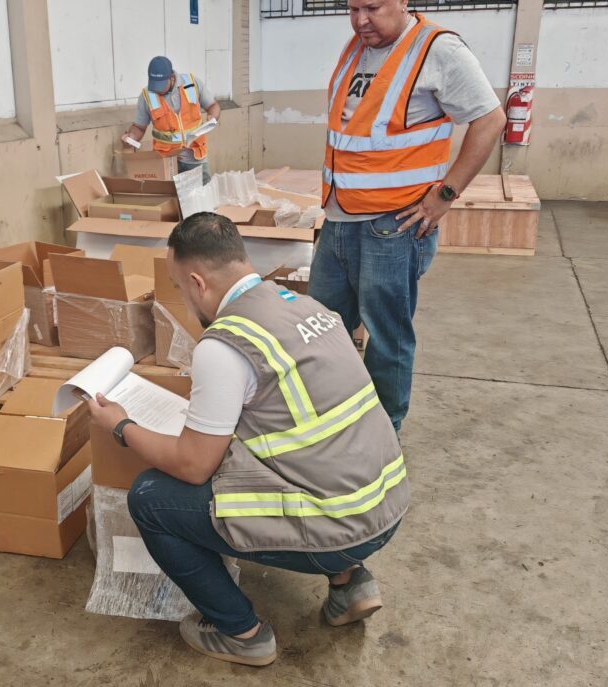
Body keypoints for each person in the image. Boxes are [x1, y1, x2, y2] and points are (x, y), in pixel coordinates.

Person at [88, 213, 409, 667]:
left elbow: (193, 466)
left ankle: (241, 632)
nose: (185, 300)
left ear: (197, 283)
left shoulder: (224, 344)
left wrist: (122, 426)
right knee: (302, 453)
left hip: (339, 527)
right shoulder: (308, 308)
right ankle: (350, 584)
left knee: (151, 499)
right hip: (387, 503)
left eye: (179, 288)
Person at [310, 0, 507, 431]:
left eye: (373, 7)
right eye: (353, 8)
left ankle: (383, 435)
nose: (361, 20)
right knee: (320, 328)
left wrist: (446, 195)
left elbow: (491, 119)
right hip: (339, 217)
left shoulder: (438, 50)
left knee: (387, 337)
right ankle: (331, 426)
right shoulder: (357, 48)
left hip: (393, 226)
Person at [121, 56, 221, 184]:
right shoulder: (147, 96)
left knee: (203, 194)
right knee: (169, 196)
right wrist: (131, 138)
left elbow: (213, 106)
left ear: (172, 77)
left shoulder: (192, 84)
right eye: (154, 84)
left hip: (195, 157)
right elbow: (139, 128)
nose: (157, 89)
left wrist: (213, 117)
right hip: (166, 161)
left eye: (161, 85)